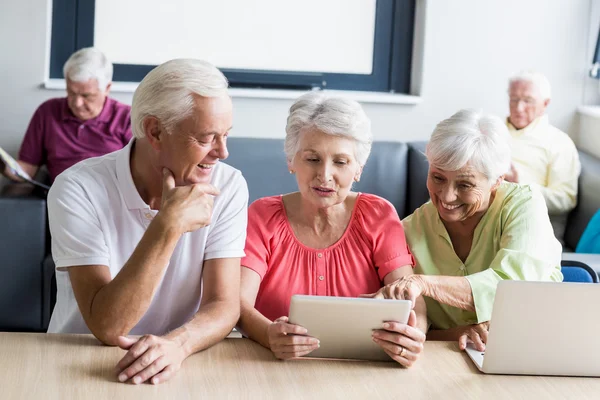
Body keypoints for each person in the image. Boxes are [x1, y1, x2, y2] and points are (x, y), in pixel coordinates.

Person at [47, 59, 247, 385]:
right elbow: (109, 326)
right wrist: (168, 225)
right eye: (207, 137)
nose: (222, 152)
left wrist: (178, 345)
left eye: (226, 135)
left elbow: (223, 304)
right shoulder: (77, 188)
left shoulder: (229, 185)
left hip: (180, 359)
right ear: (155, 131)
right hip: (78, 359)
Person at [237, 92, 427, 367]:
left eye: (340, 162)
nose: (325, 175)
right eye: (312, 159)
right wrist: (269, 335)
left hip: (363, 371)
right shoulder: (262, 216)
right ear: (291, 160)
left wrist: (413, 337)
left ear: (358, 168)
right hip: (272, 367)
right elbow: (238, 304)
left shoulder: (378, 214)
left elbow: (411, 300)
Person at [366, 109, 562, 352]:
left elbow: (516, 292)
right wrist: (462, 334)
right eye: (438, 178)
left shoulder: (524, 205)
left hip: (534, 352)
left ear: (497, 180)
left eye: (465, 184)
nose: (447, 196)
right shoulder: (408, 230)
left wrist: (425, 284)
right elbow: (414, 331)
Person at [0, 47, 131, 183]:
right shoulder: (47, 112)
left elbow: (140, 176)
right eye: (71, 92)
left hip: (109, 197)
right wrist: (4, 166)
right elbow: (27, 170)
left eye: (86, 95)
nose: (77, 103)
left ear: (107, 88)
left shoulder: (127, 118)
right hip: (59, 197)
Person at [503, 70, 581, 240]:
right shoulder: (492, 131)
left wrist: (520, 186)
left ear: (545, 104)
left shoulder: (559, 142)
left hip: (531, 229)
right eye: (514, 99)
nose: (519, 107)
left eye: (528, 101)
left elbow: (565, 200)